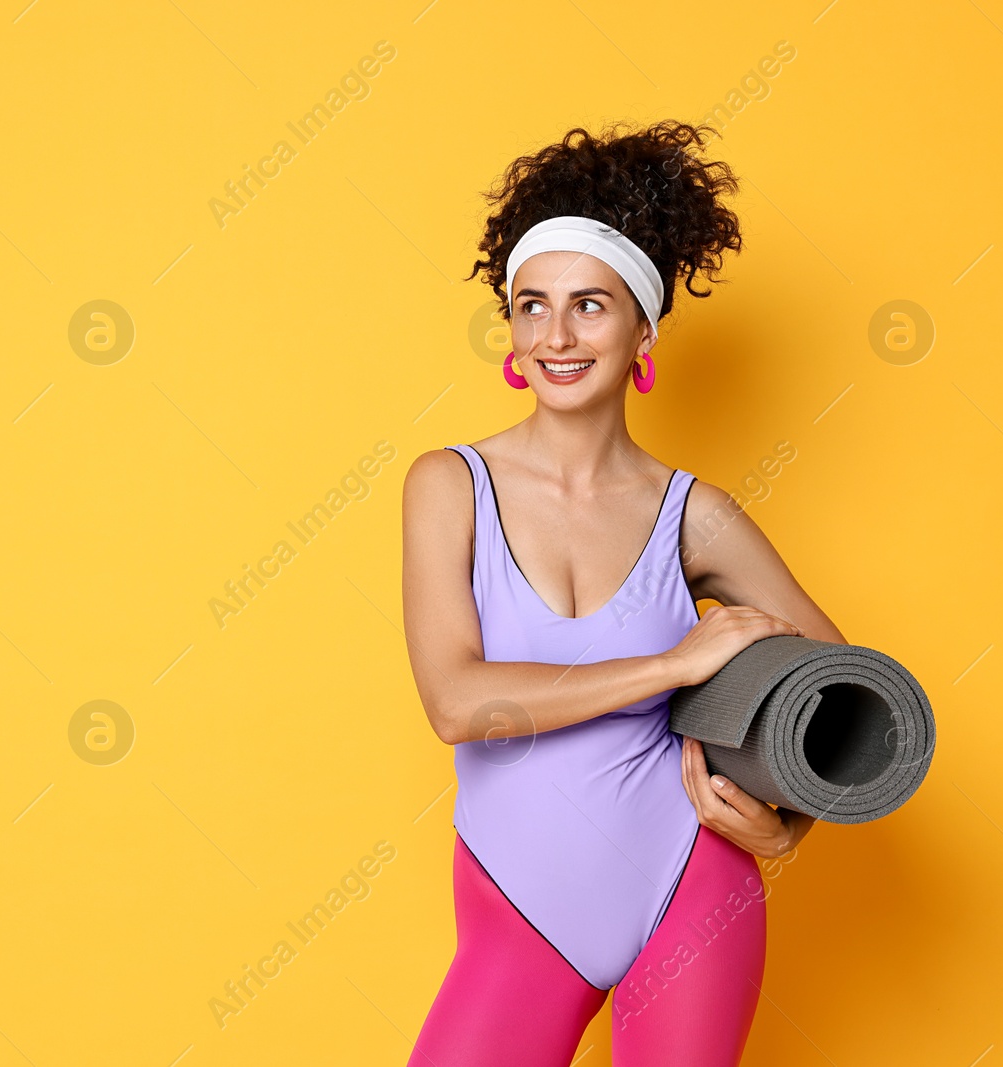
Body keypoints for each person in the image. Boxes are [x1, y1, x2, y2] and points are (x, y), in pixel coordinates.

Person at [400, 121, 846, 1066]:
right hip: (521, 902)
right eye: (532, 305)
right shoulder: (449, 486)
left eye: (590, 306)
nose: (556, 335)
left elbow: (846, 698)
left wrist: (785, 821)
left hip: (693, 887)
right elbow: (457, 700)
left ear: (644, 326)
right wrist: (674, 662)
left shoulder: (695, 515)